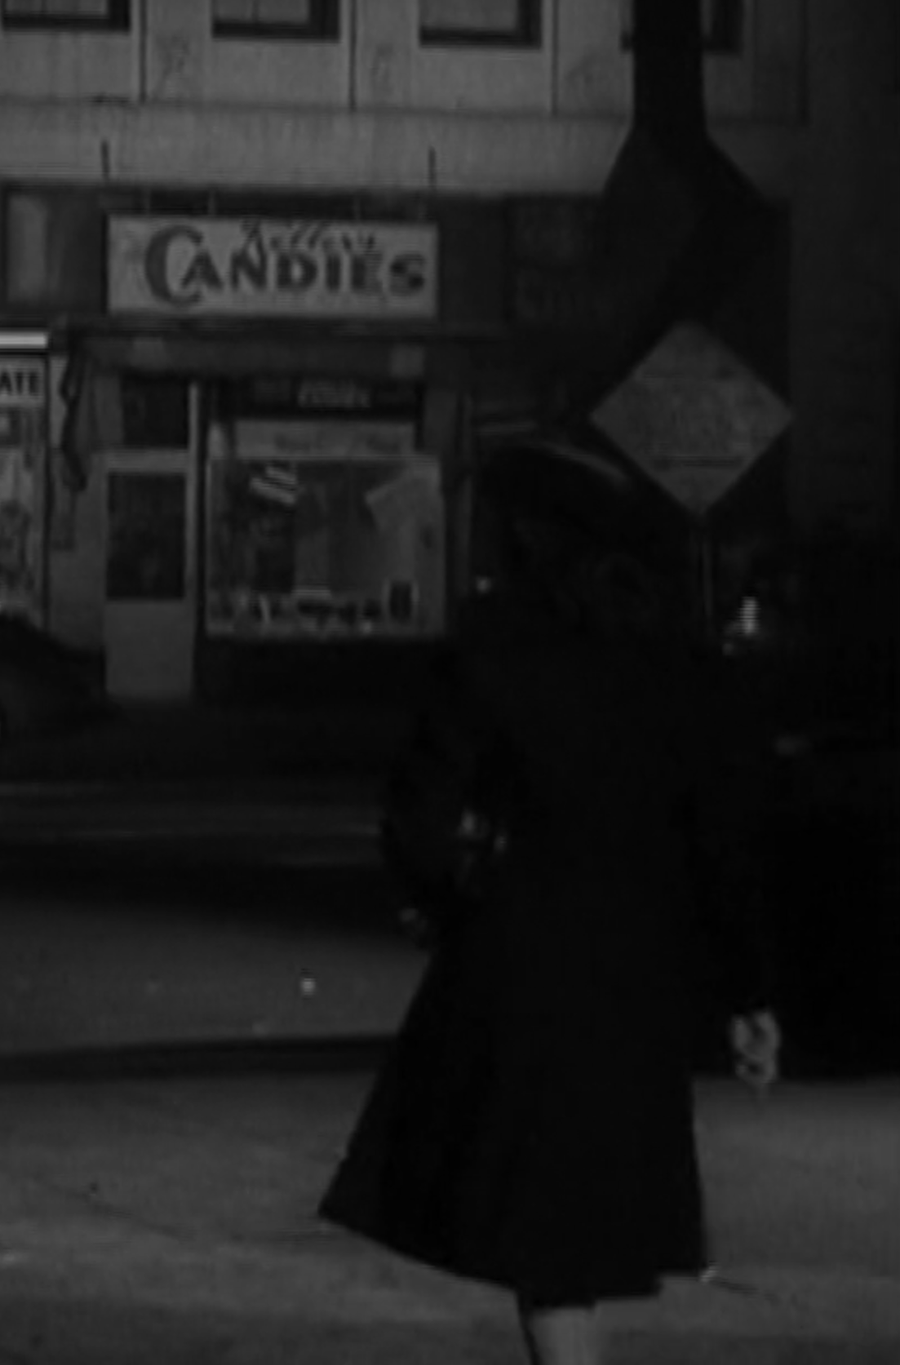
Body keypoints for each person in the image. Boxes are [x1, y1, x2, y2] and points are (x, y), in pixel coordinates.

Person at [319, 437, 780, 1365]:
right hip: (639, 970)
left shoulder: (499, 647)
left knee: (541, 1223)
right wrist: (746, 990)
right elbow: (719, 835)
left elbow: (419, 816)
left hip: (526, 960)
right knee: (580, 1222)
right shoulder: (671, 657)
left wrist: (447, 901)